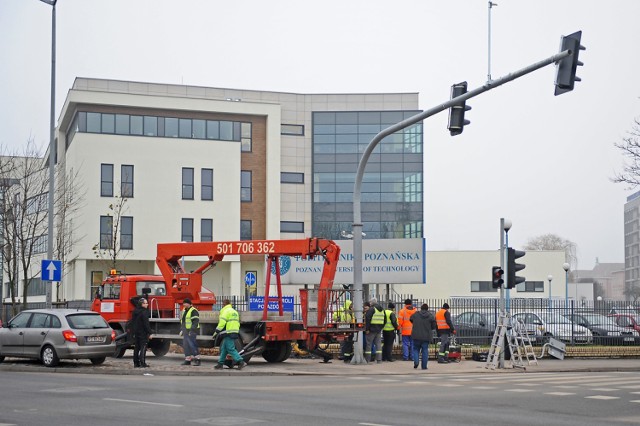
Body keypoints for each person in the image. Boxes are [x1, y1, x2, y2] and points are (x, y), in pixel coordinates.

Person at [213, 299, 246, 370]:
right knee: (224, 349)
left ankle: (241, 361)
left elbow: (222, 323)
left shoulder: (225, 311)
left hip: (228, 332)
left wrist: (217, 331)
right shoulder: (234, 311)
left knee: (230, 348)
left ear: (224, 304)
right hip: (234, 331)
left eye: (222, 304)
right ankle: (220, 363)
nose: (222, 305)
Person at [410, 303, 437, 370]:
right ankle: (424, 366)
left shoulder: (416, 314)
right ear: (427, 309)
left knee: (416, 349)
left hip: (416, 335)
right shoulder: (430, 316)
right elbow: (434, 326)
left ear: (421, 308)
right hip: (426, 336)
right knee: (425, 351)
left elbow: (411, 319)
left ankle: (416, 362)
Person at [132, 297, 152, 368]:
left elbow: (132, 322)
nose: (147, 304)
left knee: (137, 348)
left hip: (136, 332)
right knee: (143, 347)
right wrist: (149, 332)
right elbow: (146, 323)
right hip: (143, 332)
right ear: (142, 304)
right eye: (146, 303)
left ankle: (136, 363)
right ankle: (143, 363)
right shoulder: (144, 312)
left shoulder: (135, 311)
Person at [364, 297, 386, 364]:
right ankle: (379, 359)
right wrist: (381, 327)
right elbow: (385, 320)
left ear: (372, 303)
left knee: (369, 345)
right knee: (378, 345)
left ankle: (367, 359)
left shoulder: (372, 309)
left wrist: (367, 329)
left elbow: (367, 318)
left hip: (371, 329)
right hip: (378, 330)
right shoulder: (382, 310)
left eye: (370, 302)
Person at [180, 298, 201, 366]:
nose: (184, 304)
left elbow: (195, 322)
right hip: (186, 331)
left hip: (192, 331)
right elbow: (183, 321)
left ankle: (197, 359)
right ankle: (187, 359)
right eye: (183, 303)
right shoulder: (184, 310)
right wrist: (182, 330)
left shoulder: (194, 311)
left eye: (185, 303)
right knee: (186, 345)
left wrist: (191, 330)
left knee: (192, 345)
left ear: (189, 304)